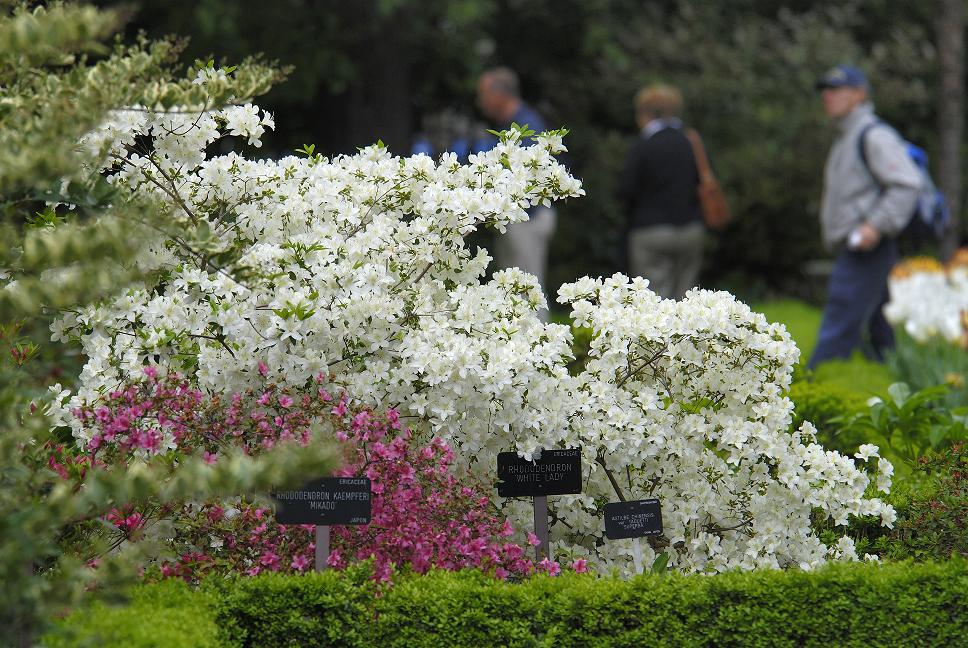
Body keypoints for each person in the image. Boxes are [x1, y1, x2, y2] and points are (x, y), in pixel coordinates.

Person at [808, 65, 922, 368]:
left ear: (859, 94)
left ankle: (804, 393)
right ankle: (902, 390)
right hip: (864, 245)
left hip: (865, 246)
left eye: (836, 89)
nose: (827, 96)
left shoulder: (873, 135)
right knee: (881, 332)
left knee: (839, 322)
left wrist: (874, 226)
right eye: (825, 90)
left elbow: (908, 183)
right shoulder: (847, 136)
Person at [476, 67, 557, 317]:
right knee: (513, 288)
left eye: (483, 94)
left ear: (500, 94)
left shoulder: (527, 125)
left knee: (528, 289)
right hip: (515, 219)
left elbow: (535, 175)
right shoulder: (510, 124)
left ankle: (542, 344)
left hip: (528, 219)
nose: (480, 102)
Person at [617, 84, 704, 299]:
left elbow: (627, 190)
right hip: (690, 230)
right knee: (687, 298)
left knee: (654, 300)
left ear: (644, 113)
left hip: (650, 231)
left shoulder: (643, 146)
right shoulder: (691, 142)